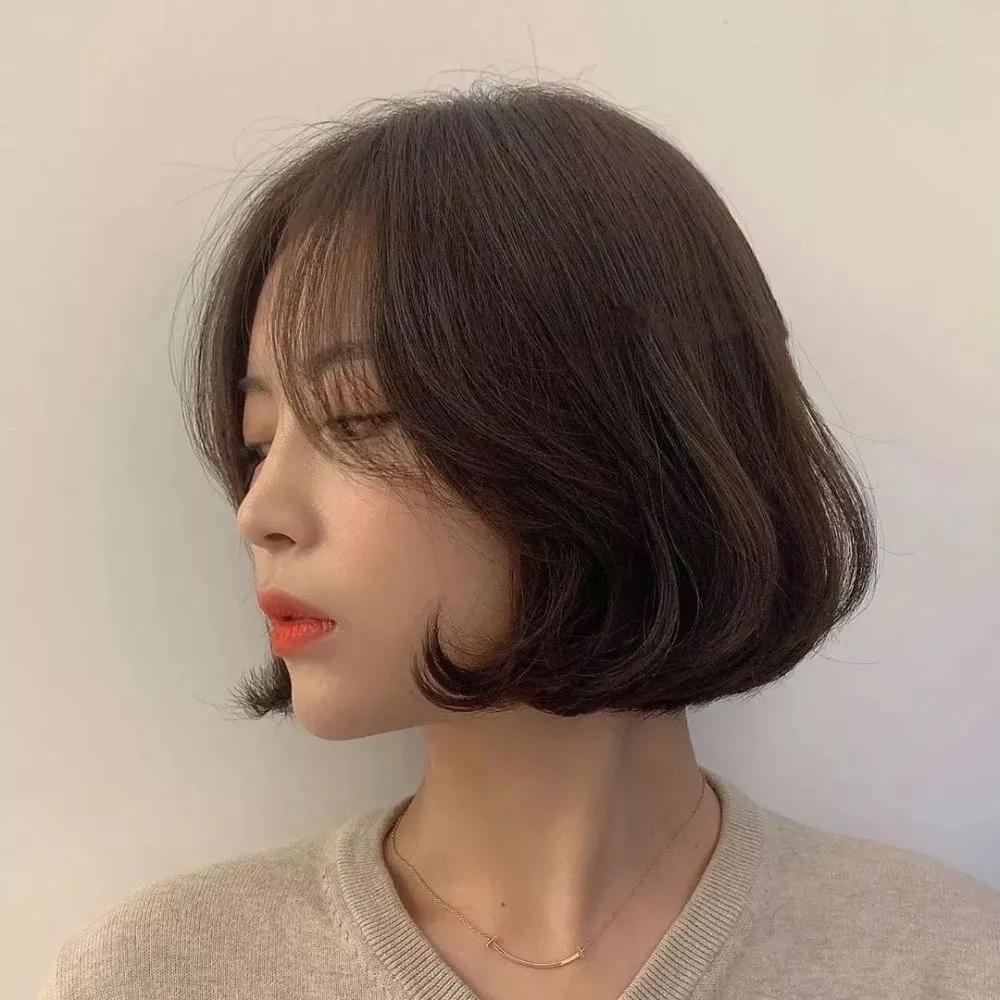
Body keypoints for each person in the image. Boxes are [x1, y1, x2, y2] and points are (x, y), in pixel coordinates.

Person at [41, 81, 998, 1000]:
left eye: (360, 419)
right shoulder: (157, 975)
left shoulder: (944, 966)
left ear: (615, 438)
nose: (258, 511)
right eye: (258, 442)